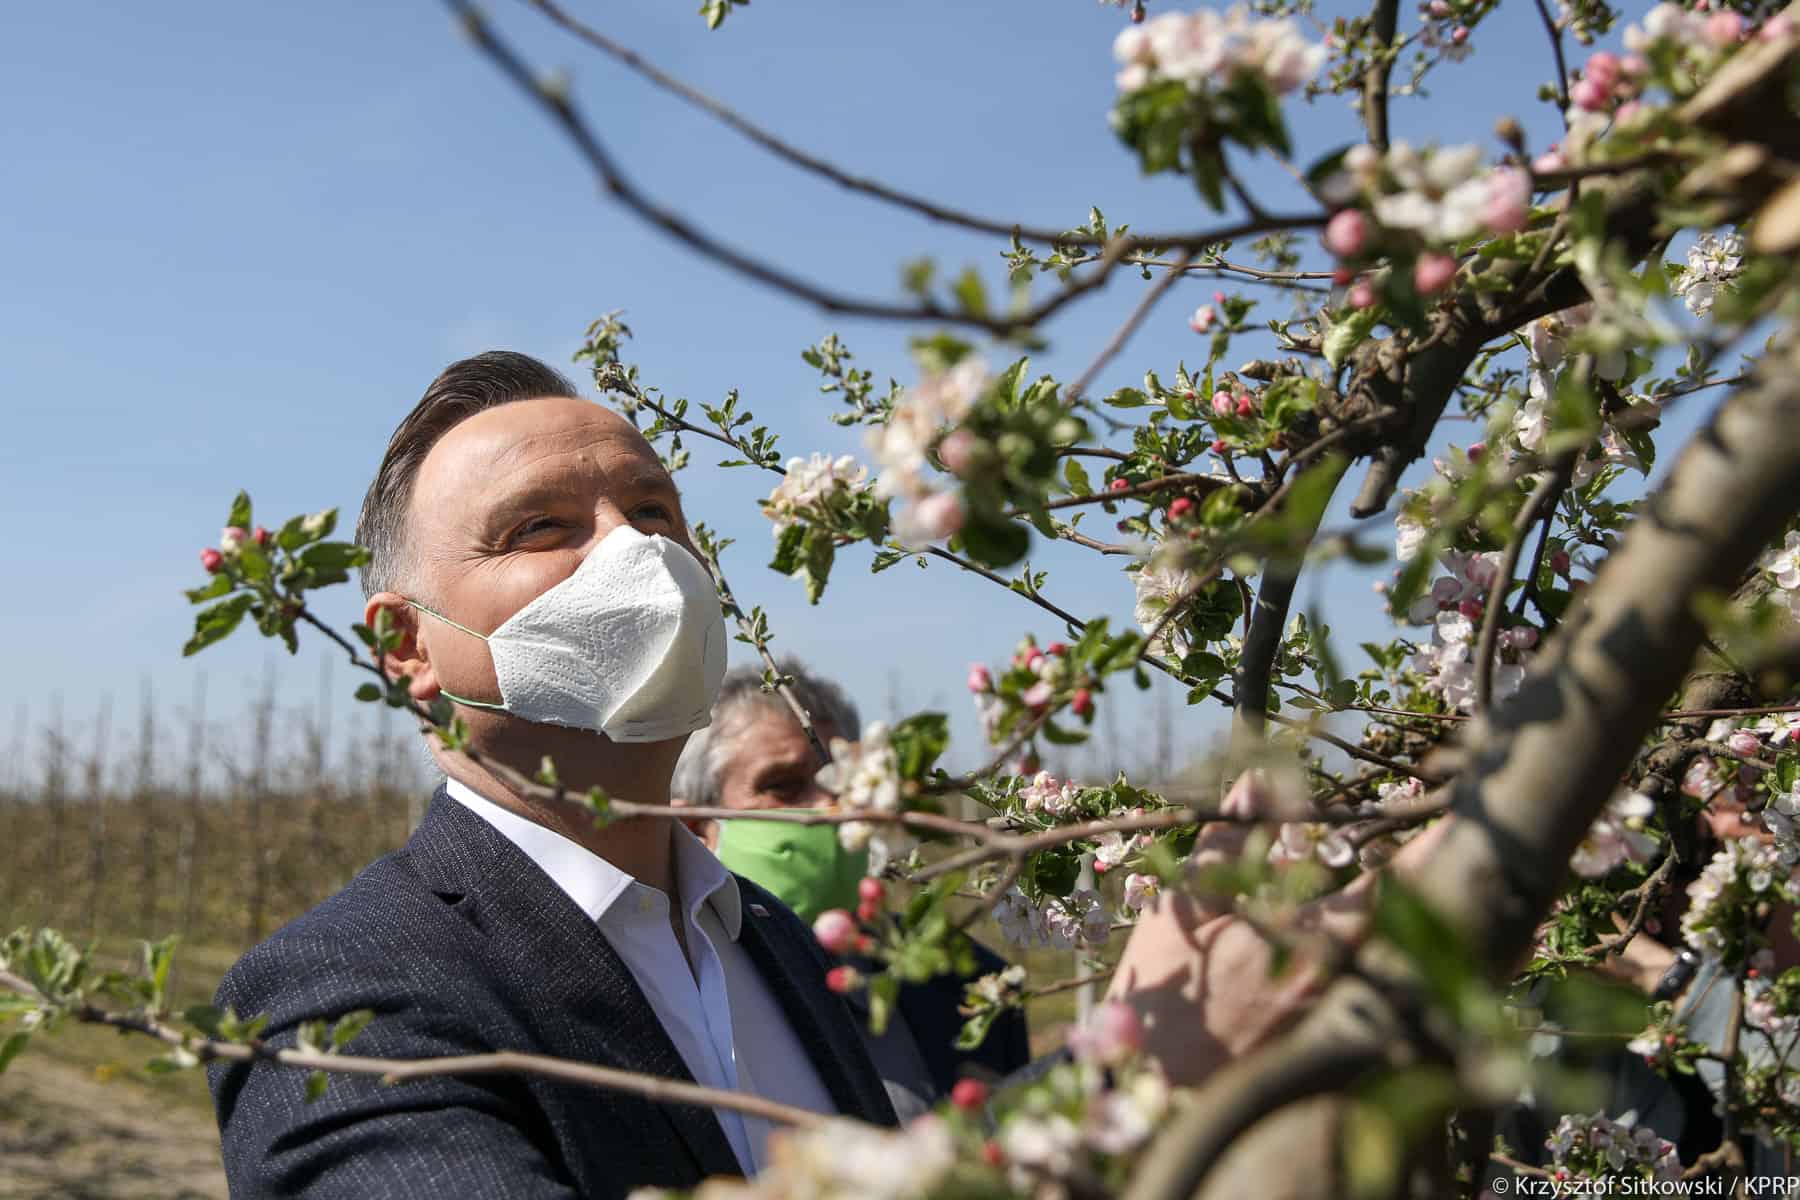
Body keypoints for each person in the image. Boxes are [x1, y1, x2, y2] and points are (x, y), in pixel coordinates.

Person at [207, 350, 1401, 1198]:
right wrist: (1114, 1100)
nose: (640, 556)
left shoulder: (777, 945)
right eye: (542, 528)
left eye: (656, 510)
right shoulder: (338, 1001)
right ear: (405, 649)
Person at [671, 661, 1031, 1120]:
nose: (831, 807)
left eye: (840, 782)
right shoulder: (668, 1005)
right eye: (783, 787)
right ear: (695, 829)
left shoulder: (969, 987)